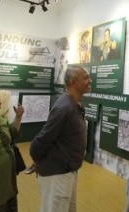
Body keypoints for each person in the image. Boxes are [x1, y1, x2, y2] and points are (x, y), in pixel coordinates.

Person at [29, 65, 92, 212]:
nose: (90, 80)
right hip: (57, 175)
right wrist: (37, 159)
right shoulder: (64, 108)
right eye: (86, 77)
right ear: (74, 83)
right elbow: (40, 141)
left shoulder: (75, 104)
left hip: (68, 171)